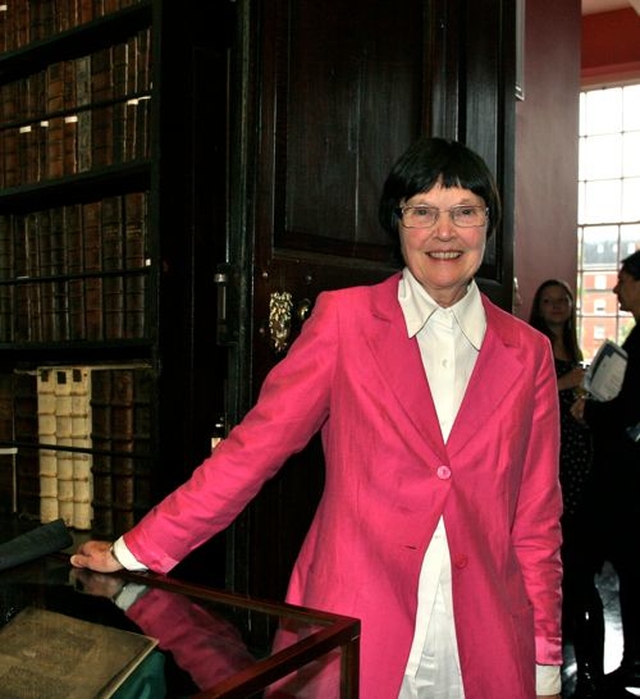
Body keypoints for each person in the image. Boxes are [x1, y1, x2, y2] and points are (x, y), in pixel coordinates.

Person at [71, 137, 563, 699]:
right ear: (396, 224)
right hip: (350, 633)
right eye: (421, 212)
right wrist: (133, 550)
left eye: (464, 213)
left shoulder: (528, 352)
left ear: (488, 225)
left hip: (487, 642)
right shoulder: (344, 321)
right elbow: (251, 452)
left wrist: (544, 657)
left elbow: (536, 520)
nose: (443, 233)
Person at [530, 280, 604, 698]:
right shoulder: (533, 345)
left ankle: (581, 663)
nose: (556, 306)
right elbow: (524, 397)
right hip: (550, 460)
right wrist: (565, 384)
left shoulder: (574, 349)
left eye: (562, 300)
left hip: (578, 460)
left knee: (576, 561)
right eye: (548, 301)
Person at [572, 250, 640, 693]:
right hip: (624, 477)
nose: (616, 289)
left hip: (624, 479)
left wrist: (589, 413)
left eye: (623, 281)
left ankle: (594, 674)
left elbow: (631, 408)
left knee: (579, 565)